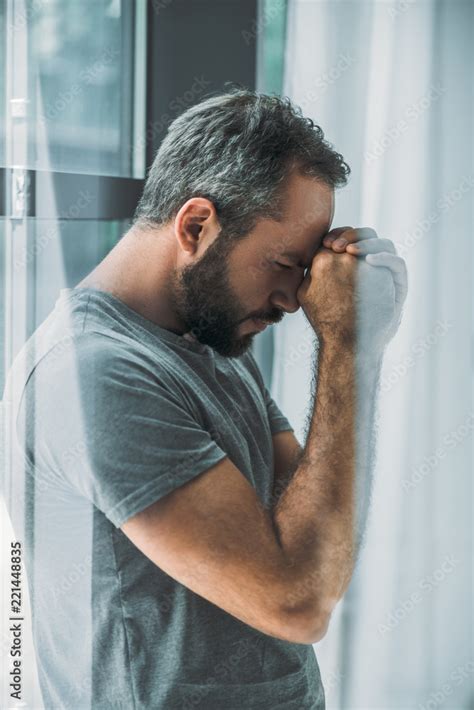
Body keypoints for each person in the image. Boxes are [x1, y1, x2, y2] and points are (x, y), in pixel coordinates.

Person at [2, 88, 407, 709]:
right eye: (282, 263)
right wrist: (352, 349)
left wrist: (358, 340)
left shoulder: (208, 341)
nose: (295, 299)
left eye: (306, 270)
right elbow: (298, 601)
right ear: (196, 226)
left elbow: (316, 536)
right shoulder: (94, 374)